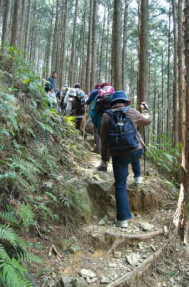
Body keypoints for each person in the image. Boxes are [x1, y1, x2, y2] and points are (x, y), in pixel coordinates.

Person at [100, 91, 151, 228]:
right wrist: (145, 110)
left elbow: (104, 141)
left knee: (120, 185)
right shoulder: (132, 112)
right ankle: (138, 177)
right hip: (135, 150)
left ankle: (123, 220)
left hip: (118, 154)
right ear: (125, 101)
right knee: (134, 149)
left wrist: (104, 160)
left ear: (113, 103)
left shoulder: (106, 116)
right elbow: (148, 121)